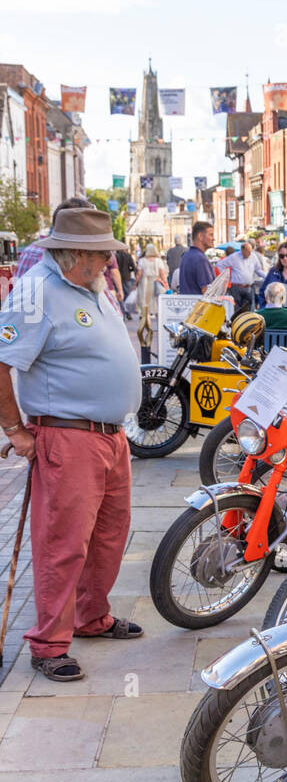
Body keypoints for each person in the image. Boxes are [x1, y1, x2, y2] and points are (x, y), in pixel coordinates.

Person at [0, 207, 143, 682]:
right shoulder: (37, 290)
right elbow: (2, 361)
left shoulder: (90, 286)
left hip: (110, 436)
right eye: (103, 254)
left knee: (109, 535)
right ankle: (48, 643)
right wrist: (15, 430)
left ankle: (91, 617)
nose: (109, 263)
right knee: (63, 544)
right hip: (67, 435)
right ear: (75, 253)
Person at [217, 239, 261, 313]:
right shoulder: (234, 257)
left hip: (248, 287)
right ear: (242, 250)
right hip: (236, 287)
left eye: (250, 251)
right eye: (248, 251)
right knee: (236, 310)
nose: (250, 253)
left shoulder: (253, 256)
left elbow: (258, 270)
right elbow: (220, 265)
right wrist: (226, 278)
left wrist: (266, 276)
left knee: (249, 310)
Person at [258, 242, 287, 314]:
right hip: (274, 318)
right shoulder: (273, 271)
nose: (285, 258)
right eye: (282, 256)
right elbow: (262, 293)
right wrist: (265, 310)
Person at [178, 221, 215, 295]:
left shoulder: (187, 255)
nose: (213, 239)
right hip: (199, 304)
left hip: (188, 303)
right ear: (200, 236)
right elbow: (207, 291)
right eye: (211, 235)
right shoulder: (200, 259)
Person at [135, 243, 168, 316]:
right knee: (153, 298)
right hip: (155, 281)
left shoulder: (142, 260)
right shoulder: (159, 261)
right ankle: (152, 312)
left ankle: (144, 314)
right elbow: (162, 274)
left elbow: (139, 274)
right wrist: (166, 284)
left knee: (143, 298)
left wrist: (135, 283)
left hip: (144, 281)